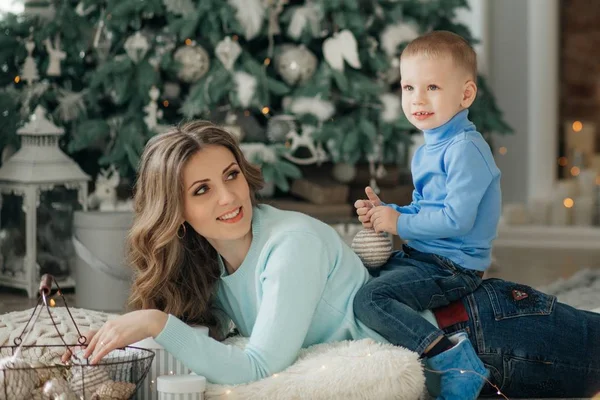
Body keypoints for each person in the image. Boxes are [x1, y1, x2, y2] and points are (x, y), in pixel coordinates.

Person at [70, 121, 600, 398]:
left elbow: (258, 364)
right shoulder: (210, 265)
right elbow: (207, 345)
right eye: (202, 190)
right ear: (177, 211)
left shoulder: (290, 242)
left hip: (488, 334)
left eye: (231, 176)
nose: (228, 199)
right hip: (472, 343)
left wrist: (156, 322)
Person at [353, 30, 501, 399]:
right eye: (408, 88)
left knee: (370, 299)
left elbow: (455, 220)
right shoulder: (428, 148)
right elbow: (424, 209)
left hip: (453, 267)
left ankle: (451, 357)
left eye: (432, 87)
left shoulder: (465, 148)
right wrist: (388, 212)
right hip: (425, 256)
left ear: (465, 94)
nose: (417, 99)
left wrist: (398, 223)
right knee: (358, 273)